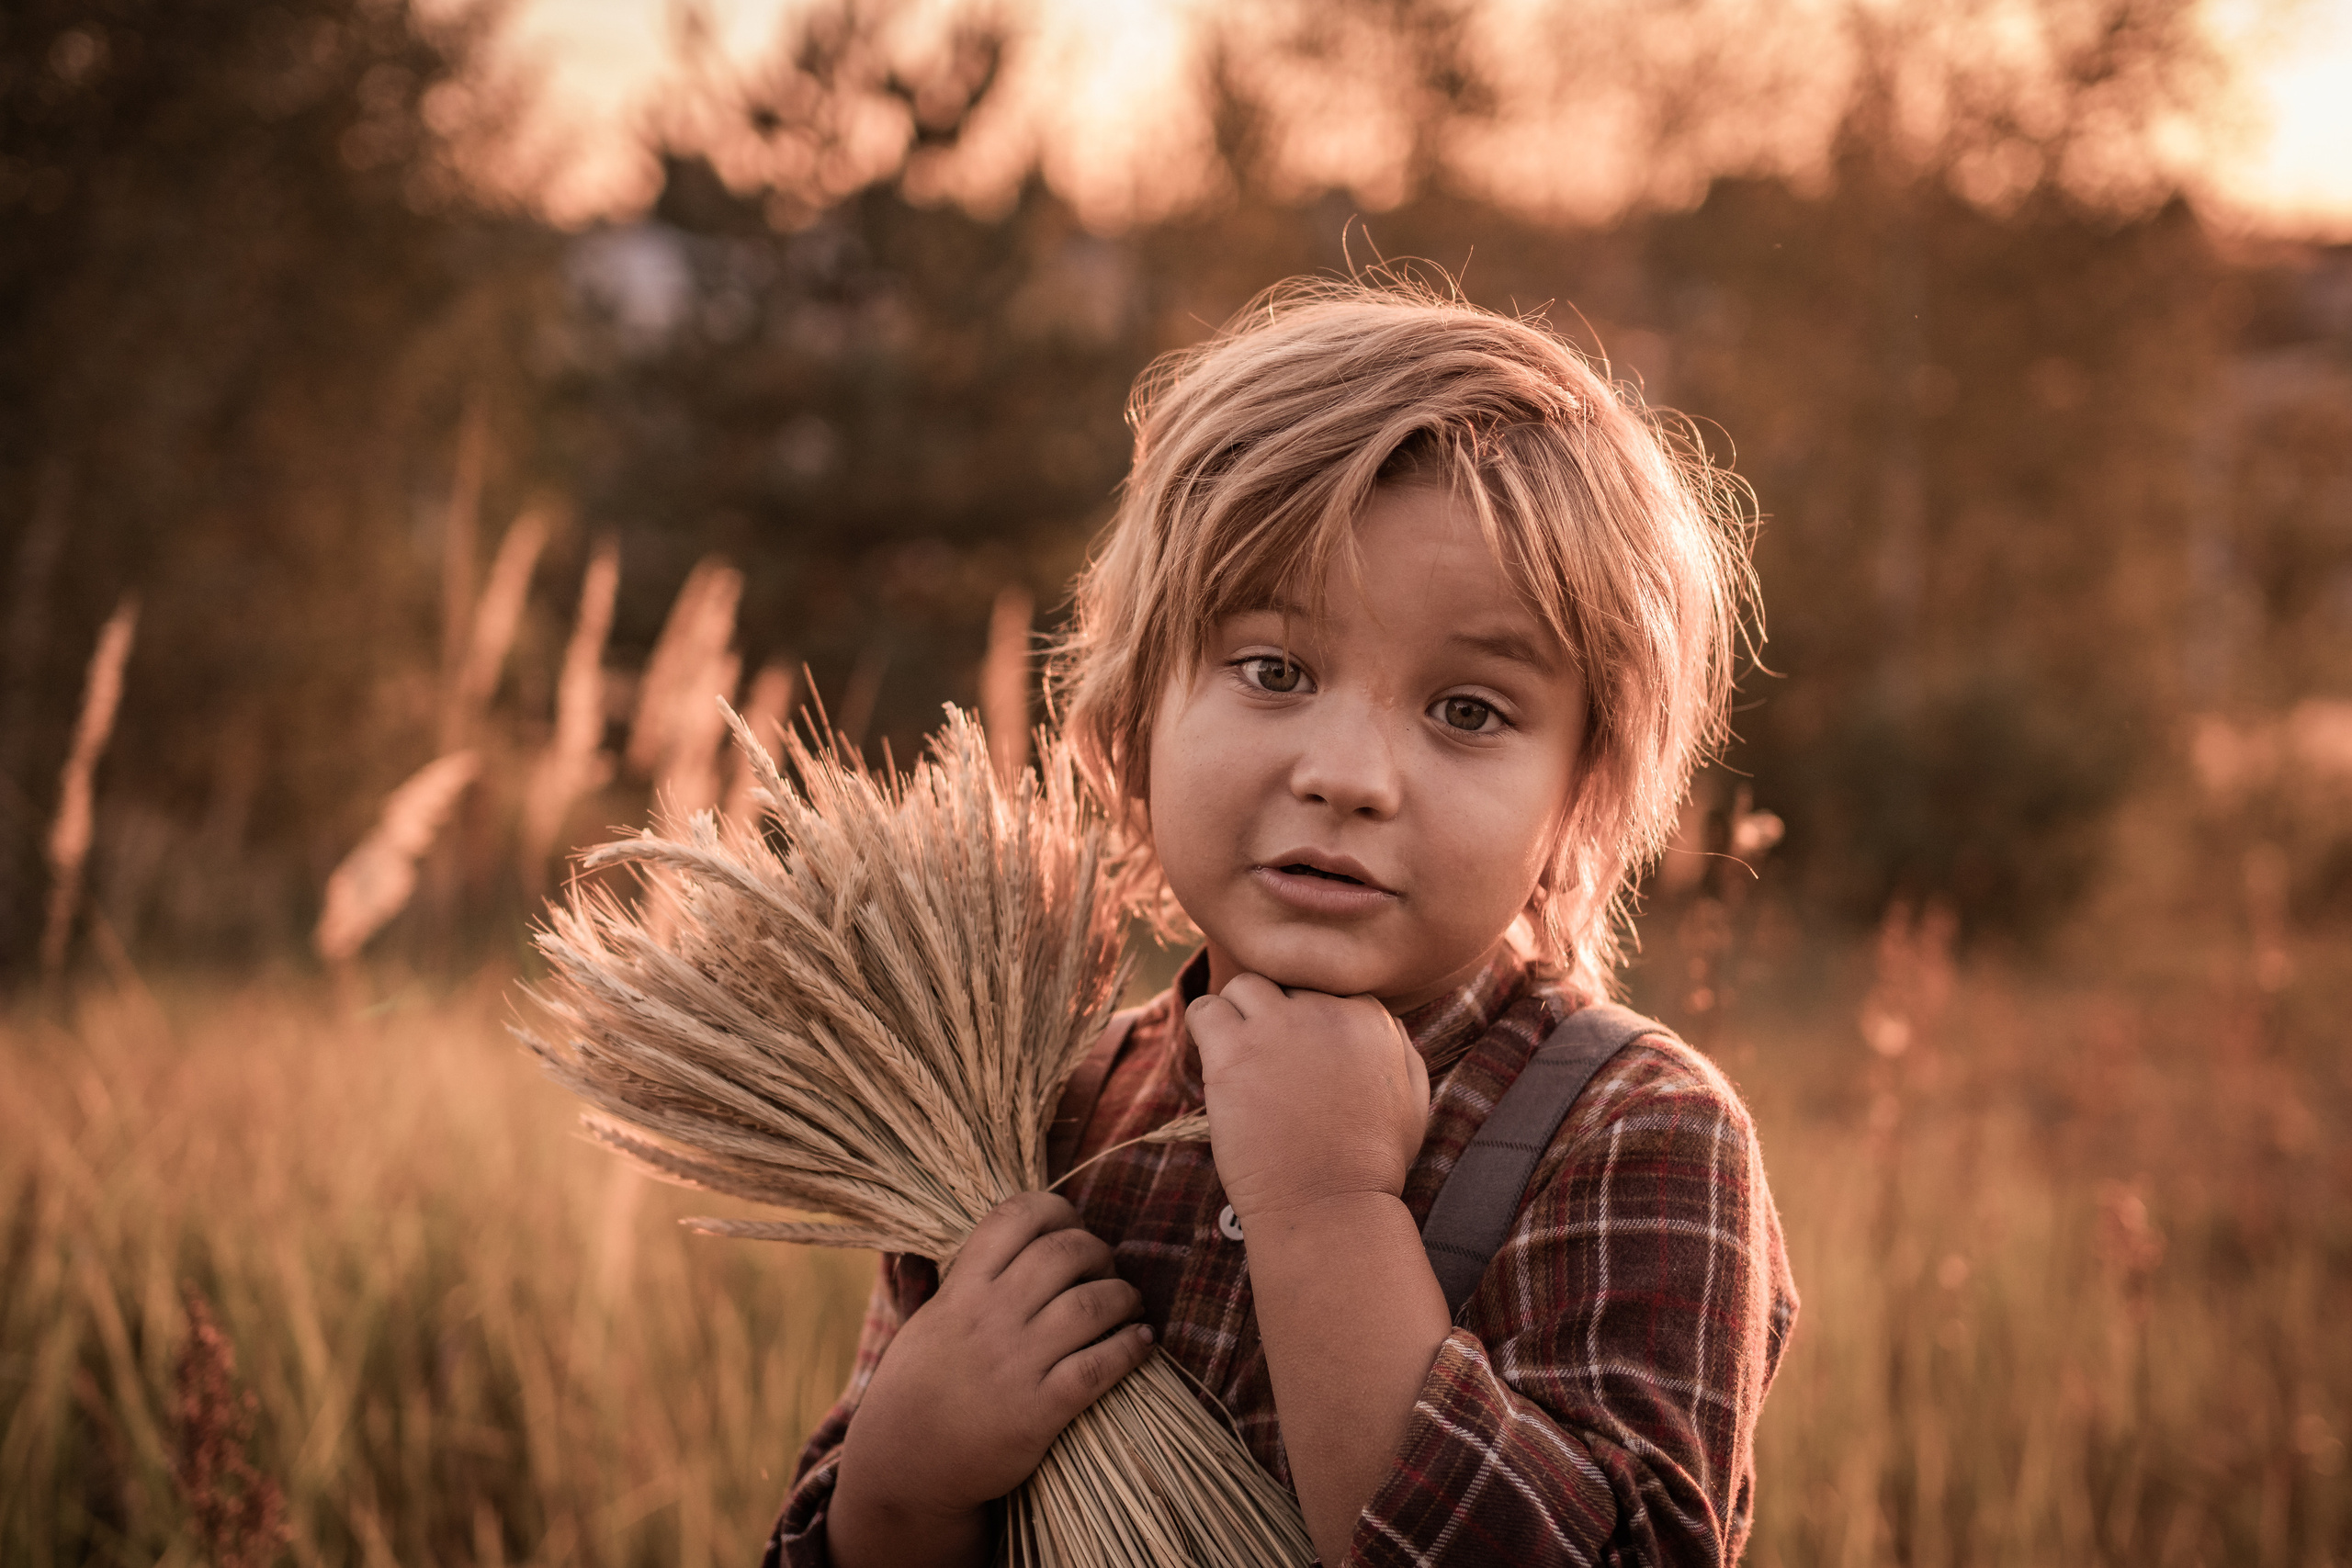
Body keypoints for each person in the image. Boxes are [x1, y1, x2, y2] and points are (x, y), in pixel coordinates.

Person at [762, 278, 1798, 1568]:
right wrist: (905, 1479)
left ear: (1583, 797)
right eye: (1275, 671)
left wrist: (1326, 1210)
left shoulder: (1637, 1132)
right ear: (1132, 724)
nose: (1349, 773)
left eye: (1469, 710)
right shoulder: (1024, 1108)